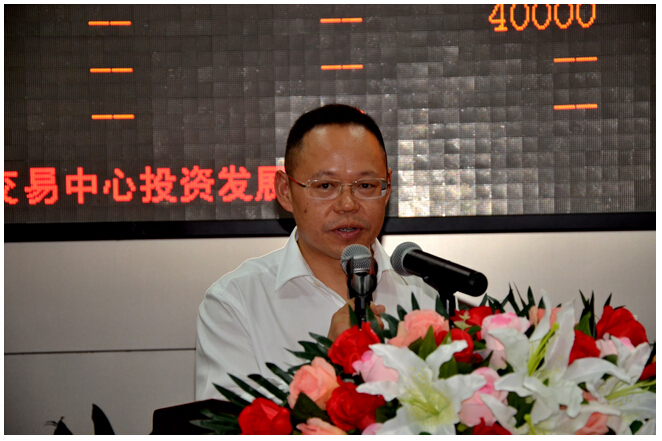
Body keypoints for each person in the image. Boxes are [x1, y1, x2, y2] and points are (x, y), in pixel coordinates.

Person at [195, 104, 438, 400]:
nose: (347, 204)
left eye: (365, 185)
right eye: (325, 186)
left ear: (387, 188)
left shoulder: (427, 296)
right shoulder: (236, 304)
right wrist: (329, 361)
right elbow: (232, 423)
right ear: (285, 191)